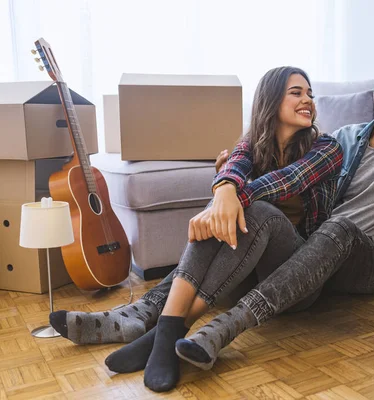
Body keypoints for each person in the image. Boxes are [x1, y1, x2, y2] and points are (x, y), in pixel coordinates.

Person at [53, 47, 374, 381]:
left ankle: (216, 329)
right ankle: (143, 317)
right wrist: (224, 189)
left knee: (330, 225)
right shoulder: (350, 136)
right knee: (254, 217)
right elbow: (244, 153)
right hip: (313, 255)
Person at [49, 66, 343, 392]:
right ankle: (142, 316)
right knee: (224, 212)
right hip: (244, 271)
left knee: (253, 210)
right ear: (271, 101)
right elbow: (235, 166)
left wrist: (230, 193)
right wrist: (223, 189)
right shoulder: (250, 143)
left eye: (310, 94)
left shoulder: (327, 147)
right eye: (297, 93)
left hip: (292, 274)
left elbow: (289, 181)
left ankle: (165, 330)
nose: (308, 100)